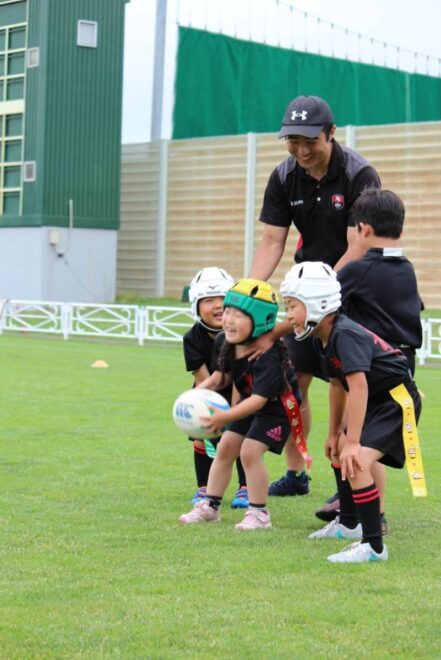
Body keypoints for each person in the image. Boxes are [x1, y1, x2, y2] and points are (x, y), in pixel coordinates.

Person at [248, 94, 381, 497]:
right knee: (294, 382)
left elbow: (359, 245)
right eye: (294, 141)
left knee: (348, 383)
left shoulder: (359, 174)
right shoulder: (284, 176)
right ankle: (297, 473)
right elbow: (272, 241)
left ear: (331, 133)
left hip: (353, 291)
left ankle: (348, 482)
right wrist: (248, 293)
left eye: (311, 141)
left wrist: (319, 290)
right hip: (306, 295)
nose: (302, 151)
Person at [280, 261, 422, 563]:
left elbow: (359, 387)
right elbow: (337, 385)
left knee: (355, 461)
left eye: (293, 306)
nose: (288, 315)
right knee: (339, 451)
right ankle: (348, 524)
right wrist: (335, 433)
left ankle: (374, 547)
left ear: (318, 303)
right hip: (377, 399)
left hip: (395, 401)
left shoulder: (345, 334)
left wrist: (354, 442)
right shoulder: (322, 338)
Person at [316, 187, 424, 526]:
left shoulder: (358, 269)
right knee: (362, 440)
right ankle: (360, 513)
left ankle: (366, 519)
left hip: (371, 366)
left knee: (355, 439)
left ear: (362, 228)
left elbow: (320, 296)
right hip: (401, 366)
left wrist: (272, 334)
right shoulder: (406, 268)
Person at [179, 279, 303, 530]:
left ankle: (259, 514)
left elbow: (259, 401)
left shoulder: (268, 354)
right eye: (227, 312)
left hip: (277, 409)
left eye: (238, 315)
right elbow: (221, 377)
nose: (228, 320)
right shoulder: (224, 340)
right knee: (225, 448)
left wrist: (224, 416)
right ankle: (210, 506)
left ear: (261, 320)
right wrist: (194, 394)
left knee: (249, 452)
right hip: (250, 402)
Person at [183, 267, 248, 509]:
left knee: (241, 439)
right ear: (196, 306)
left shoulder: (241, 334)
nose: (218, 305)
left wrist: (233, 412)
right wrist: (210, 412)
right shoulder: (192, 338)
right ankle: (204, 487)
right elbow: (203, 379)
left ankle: (246, 487)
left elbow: (241, 378)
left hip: (241, 391)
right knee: (201, 439)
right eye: (209, 300)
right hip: (207, 392)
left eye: (223, 299)